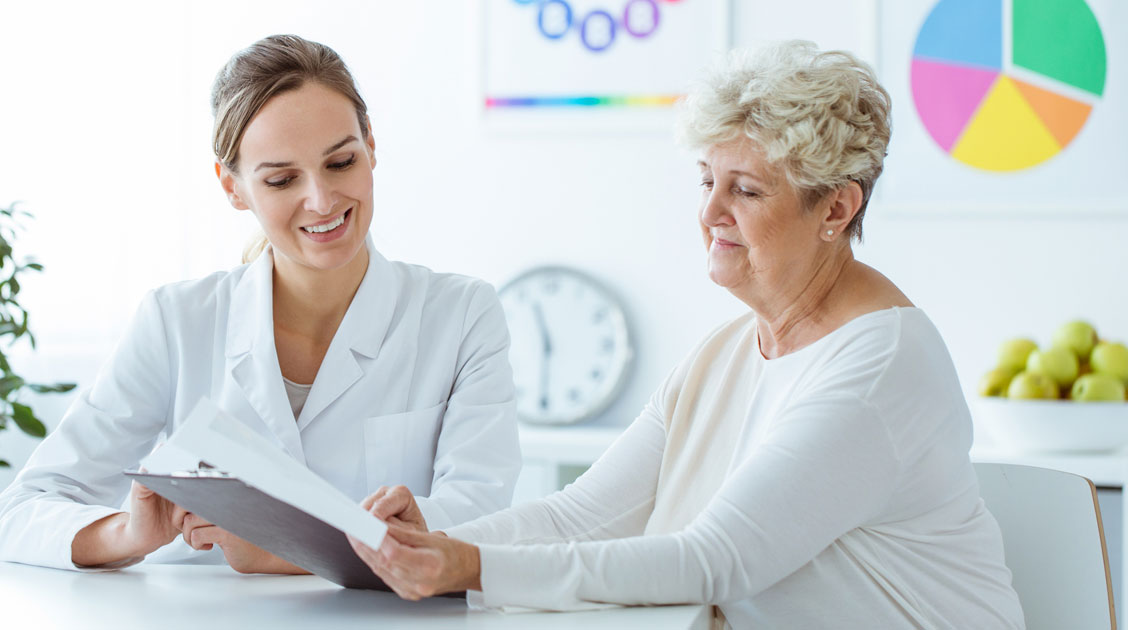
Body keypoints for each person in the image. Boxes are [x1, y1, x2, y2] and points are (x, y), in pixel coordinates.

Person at [346, 41, 1027, 628]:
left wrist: (466, 566)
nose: (709, 212)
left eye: (747, 191)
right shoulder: (727, 352)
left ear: (838, 207)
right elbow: (579, 516)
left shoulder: (881, 364)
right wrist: (429, 545)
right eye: (706, 180)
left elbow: (714, 559)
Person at [0, 34, 520, 573]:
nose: (322, 200)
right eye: (283, 179)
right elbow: (17, 514)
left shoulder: (461, 315)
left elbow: (484, 523)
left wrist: (278, 549)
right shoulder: (177, 322)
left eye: (340, 162)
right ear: (233, 187)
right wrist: (127, 533)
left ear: (371, 147)